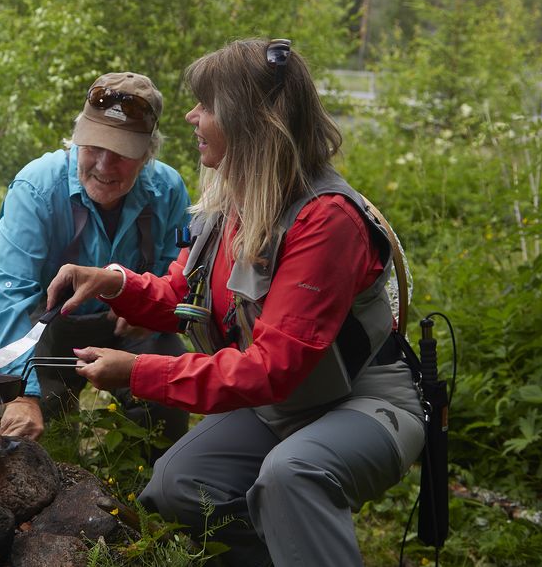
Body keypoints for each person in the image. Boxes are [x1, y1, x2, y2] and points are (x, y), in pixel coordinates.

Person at [45, 40, 426, 566]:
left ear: (254, 120)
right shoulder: (233, 204)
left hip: (364, 403)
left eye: (206, 105)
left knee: (293, 475)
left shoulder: (326, 220)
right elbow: (184, 296)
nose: (191, 115)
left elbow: (272, 369)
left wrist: (138, 372)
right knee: (178, 486)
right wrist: (115, 283)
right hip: (285, 406)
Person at [0, 71, 192, 445]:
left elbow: (174, 272)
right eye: (94, 146)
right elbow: (9, 294)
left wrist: (149, 313)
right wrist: (20, 394)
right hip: (42, 326)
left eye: (122, 152)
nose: (104, 165)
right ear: (76, 138)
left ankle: (146, 492)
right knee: (41, 421)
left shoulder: (168, 189)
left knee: (165, 391)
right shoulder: (36, 188)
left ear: (147, 153)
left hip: (124, 325)